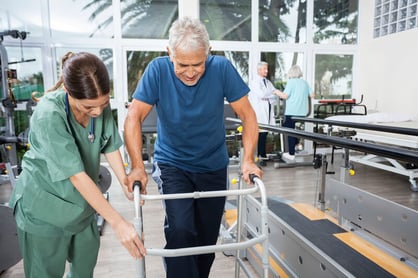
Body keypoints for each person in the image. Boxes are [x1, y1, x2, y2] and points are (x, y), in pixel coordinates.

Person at [124, 17, 263, 278]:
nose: (190, 72)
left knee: (206, 240)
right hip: (173, 164)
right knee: (181, 231)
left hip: (213, 165)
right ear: (170, 54)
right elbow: (133, 117)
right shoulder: (157, 70)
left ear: (208, 54)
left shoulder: (221, 68)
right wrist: (136, 167)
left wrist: (249, 159)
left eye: (197, 64)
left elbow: (248, 115)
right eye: (182, 64)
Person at [9, 52, 146, 277]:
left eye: (103, 104)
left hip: (81, 209)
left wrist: (126, 183)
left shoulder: (96, 104)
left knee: (83, 272)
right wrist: (117, 222)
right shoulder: (48, 115)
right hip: (43, 210)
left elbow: (109, 144)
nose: (98, 112)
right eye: (88, 108)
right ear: (69, 92)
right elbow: (76, 175)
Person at [275, 65, 315, 161]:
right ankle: (296, 143)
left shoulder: (291, 82)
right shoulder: (305, 83)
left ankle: (291, 154)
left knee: (289, 131)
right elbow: (312, 95)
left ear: (291, 73)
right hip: (302, 112)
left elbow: (285, 96)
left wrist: (276, 92)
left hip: (291, 112)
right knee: (292, 130)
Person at [248, 61, 278, 165]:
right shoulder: (254, 82)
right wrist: (271, 94)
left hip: (268, 109)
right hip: (259, 111)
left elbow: (274, 95)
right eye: (264, 69)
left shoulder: (268, 82)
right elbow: (262, 94)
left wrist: (270, 94)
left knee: (265, 133)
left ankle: (263, 155)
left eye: (267, 69)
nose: (267, 71)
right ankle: (259, 157)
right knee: (259, 134)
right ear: (259, 70)